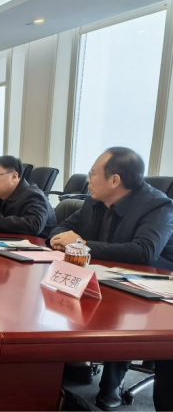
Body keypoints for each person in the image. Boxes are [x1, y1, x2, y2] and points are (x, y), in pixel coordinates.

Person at [46, 147, 173, 410]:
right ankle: (73, 362)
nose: (88, 180)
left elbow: (144, 251)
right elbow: (63, 226)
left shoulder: (158, 205)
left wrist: (81, 244)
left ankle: (112, 383)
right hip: (103, 275)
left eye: (93, 174)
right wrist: (59, 239)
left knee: (121, 312)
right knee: (59, 298)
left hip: (150, 285)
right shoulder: (93, 200)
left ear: (114, 180)